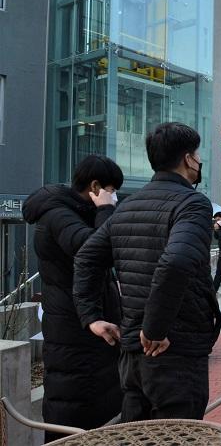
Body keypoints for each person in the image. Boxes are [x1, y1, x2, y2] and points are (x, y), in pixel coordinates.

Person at [73, 122, 221, 422]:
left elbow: (86, 258)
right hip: (175, 353)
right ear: (188, 159)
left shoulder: (126, 207)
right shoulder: (192, 204)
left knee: (136, 436)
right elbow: (177, 262)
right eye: (197, 154)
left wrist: (91, 318)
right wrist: (155, 329)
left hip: (131, 359)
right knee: (180, 437)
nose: (199, 160)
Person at [22, 155, 124, 441]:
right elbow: (94, 249)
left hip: (87, 326)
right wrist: (105, 210)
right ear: (95, 186)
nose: (113, 197)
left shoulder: (72, 213)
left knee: (99, 406)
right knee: (73, 407)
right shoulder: (58, 215)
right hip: (73, 331)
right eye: (111, 190)